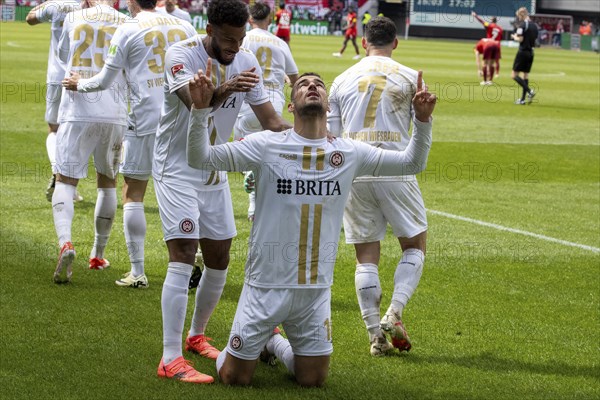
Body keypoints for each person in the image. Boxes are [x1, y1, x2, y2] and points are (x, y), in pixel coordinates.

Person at [185, 68, 436, 386]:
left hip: (315, 291)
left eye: (318, 84)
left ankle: (272, 342)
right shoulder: (266, 145)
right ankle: (260, 340)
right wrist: (200, 109)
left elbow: (412, 164)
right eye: (303, 85)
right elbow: (200, 158)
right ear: (291, 106)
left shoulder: (348, 152)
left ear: (329, 105)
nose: (312, 86)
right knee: (234, 378)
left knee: (313, 380)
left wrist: (422, 120)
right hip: (265, 285)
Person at [152, 0, 292, 383]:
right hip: (176, 167)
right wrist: (226, 87)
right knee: (183, 252)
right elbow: (194, 102)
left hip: (211, 171)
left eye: (241, 37)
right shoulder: (181, 54)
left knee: (220, 256)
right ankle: (170, 358)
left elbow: (270, 120)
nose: (235, 46)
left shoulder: (247, 61)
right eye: (228, 39)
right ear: (210, 29)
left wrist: (305, 135)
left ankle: (197, 335)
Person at [62, 0, 197, 288]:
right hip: (184, 115)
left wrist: (78, 83)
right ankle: (192, 257)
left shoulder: (128, 27)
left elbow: (105, 79)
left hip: (146, 117)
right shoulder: (185, 25)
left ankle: (138, 272)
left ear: (132, 2)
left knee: (133, 192)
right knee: (184, 188)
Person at [327, 16, 430, 357]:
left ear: (363, 39)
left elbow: (331, 138)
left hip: (354, 173)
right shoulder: (411, 76)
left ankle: (375, 337)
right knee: (414, 245)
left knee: (365, 257)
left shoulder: (341, 79)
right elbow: (422, 128)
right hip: (396, 167)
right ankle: (395, 310)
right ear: (395, 42)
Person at [51, 0, 128, 283]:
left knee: (65, 181)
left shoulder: (75, 17)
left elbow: (63, 57)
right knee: (107, 182)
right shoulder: (125, 22)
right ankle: (97, 254)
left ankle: (66, 243)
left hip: (77, 107)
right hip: (114, 109)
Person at [233, 1, 299, 221]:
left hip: (247, 103)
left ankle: (252, 202)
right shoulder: (280, 43)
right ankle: (261, 205)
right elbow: (295, 77)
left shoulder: (243, 40)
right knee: (266, 156)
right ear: (270, 20)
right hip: (274, 105)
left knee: (244, 156)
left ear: (249, 19)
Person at [26, 0, 84, 203]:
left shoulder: (57, 5)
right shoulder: (93, 6)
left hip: (55, 74)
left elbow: (30, 19)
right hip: (82, 77)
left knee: (54, 128)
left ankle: (56, 170)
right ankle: (70, 186)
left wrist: (48, 4)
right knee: (75, 131)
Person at [511, 7, 538, 105]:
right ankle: (522, 100)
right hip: (531, 53)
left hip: (523, 52)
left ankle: (530, 91)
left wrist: (514, 37)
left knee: (514, 75)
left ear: (521, 15)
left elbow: (520, 39)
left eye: (518, 16)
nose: (518, 18)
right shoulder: (535, 26)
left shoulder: (522, 25)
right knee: (525, 75)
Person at [471, 11, 503, 76]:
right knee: (494, 61)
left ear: (491, 20)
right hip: (497, 45)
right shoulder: (500, 28)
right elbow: (501, 38)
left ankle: (484, 73)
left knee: (485, 61)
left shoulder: (489, 25)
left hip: (489, 45)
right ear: (496, 21)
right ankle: (496, 73)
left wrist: (475, 16)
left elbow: (482, 21)